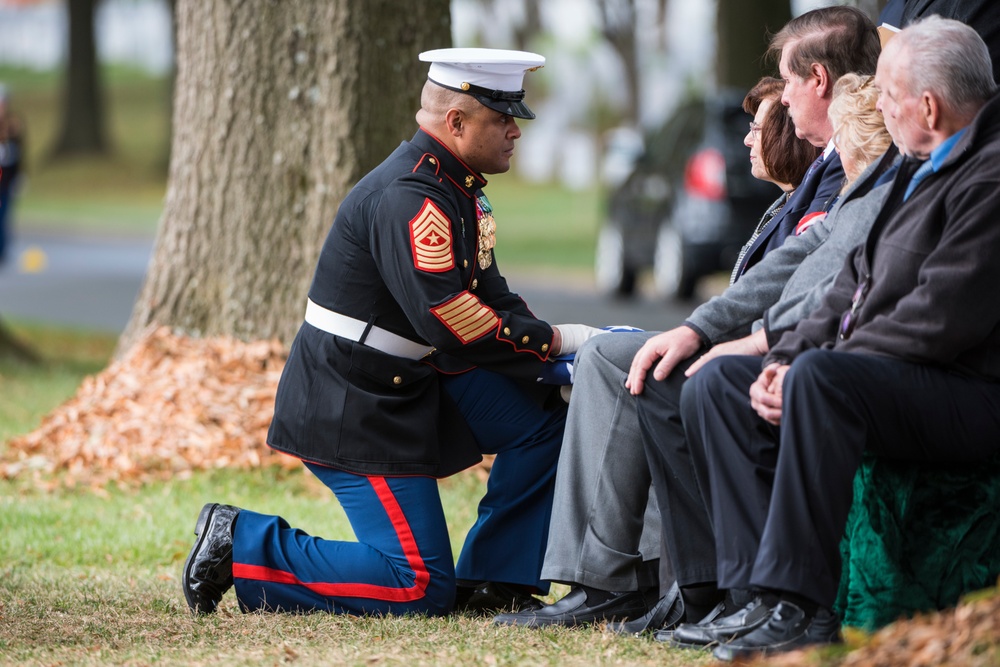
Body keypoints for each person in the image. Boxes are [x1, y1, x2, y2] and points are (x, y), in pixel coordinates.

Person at [180, 48, 608, 617]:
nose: (514, 132)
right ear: (456, 123)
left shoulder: (455, 185)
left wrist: (558, 361)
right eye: (503, 119)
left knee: (546, 420)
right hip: (356, 401)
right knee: (414, 586)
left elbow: (492, 296)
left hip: (408, 377)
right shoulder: (414, 197)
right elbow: (453, 317)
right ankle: (240, 543)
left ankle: (493, 580)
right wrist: (562, 343)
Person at [493, 5, 879, 633]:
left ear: (817, 80)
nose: (774, 105)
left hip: (793, 351)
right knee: (612, 356)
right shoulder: (824, 169)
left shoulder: (854, 168)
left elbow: (807, 282)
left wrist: (730, 337)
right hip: (765, 340)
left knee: (627, 361)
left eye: (785, 80)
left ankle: (645, 580)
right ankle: (608, 577)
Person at [678, 17, 1000, 660]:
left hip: (969, 393)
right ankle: (754, 601)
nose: (876, 108)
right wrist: (788, 352)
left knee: (822, 381)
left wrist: (816, 364)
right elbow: (847, 282)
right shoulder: (917, 162)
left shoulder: (987, 178)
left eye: (885, 94)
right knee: (718, 383)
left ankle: (804, 607)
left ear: (928, 107)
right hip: (891, 371)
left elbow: (938, 318)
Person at [635, 69, 895, 646]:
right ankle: (736, 593)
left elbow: (843, 287)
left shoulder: (880, 187)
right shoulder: (856, 187)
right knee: (685, 374)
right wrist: (701, 328)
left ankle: (770, 598)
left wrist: (763, 343)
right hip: (807, 344)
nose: (831, 151)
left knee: (714, 377)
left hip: (854, 357)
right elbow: (798, 265)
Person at [0, 84, 25, 265]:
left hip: (7, 180)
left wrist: (21, 176)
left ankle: (2, 250)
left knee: (4, 215)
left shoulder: (14, 124)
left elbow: (20, 151)